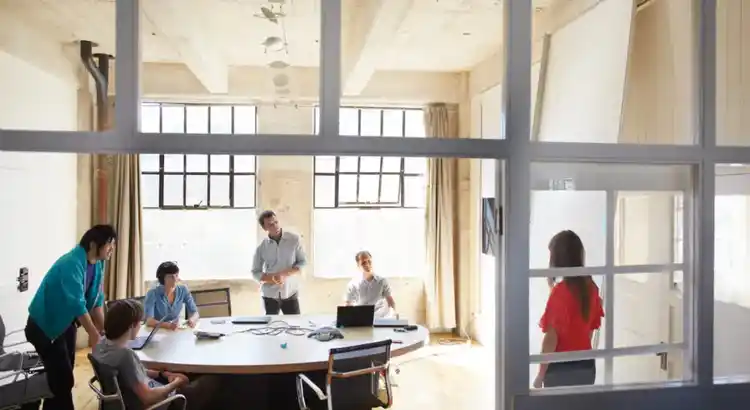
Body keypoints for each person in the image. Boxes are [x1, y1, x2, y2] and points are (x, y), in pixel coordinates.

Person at [24, 224, 116, 410]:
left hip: (66, 325)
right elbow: (77, 303)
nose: (112, 249)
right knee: (63, 379)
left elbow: (97, 299)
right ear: (93, 244)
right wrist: (93, 334)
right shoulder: (71, 263)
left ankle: (32, 402)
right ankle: (31, 401)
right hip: (44, 327)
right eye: (109, 244)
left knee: (61, 372)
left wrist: (104, 331)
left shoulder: (98, 264)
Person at [92, 299, 223, 410]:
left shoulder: (100, 345)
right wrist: (175, 383)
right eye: (140, 323)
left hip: (125, 399)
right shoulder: (125, 355)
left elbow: (133, 372)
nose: (140, 326)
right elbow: (148, 398)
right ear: (132, 325)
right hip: (158, 403)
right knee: (213, 378)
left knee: (189, 376)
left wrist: (164, 374)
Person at [533, 230, 604, 389]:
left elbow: (551, 340)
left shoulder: (560, 293)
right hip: (586, 366)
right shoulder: (591, 288)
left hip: (561, 368)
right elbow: (586, 330)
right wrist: (553, 289)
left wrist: (540, 375)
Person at [251, 210, 307, 315]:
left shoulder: (294, 239)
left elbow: (302, 262)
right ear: (265, 228)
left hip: (290, 291)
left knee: (295, 327)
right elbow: (255, 272)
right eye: (270, 224)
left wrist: (284, 274)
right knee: (271, 327)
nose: (275, 226)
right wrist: (272, 279)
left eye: (276, 222)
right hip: (270, 295)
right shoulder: (262, 247)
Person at [144, 261, 199, 330]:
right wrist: (168, 325)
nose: (175, 279)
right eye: (171, 277)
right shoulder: (152, 293)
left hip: (175, 330)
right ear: (162, 278)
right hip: (157, 330)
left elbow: (195, 312)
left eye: (176, 275)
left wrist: (192, 320)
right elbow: (149, 321)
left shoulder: (183, 290)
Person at [344, 251, 396, 318]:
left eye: (369, 261)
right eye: (363, 263)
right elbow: (348, 305)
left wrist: (392, 317)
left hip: (379, 319)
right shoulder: (353, 284)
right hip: (360, 319)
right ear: (358, 265)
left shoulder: (382, 281)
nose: (367, 264)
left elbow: (391, 302)